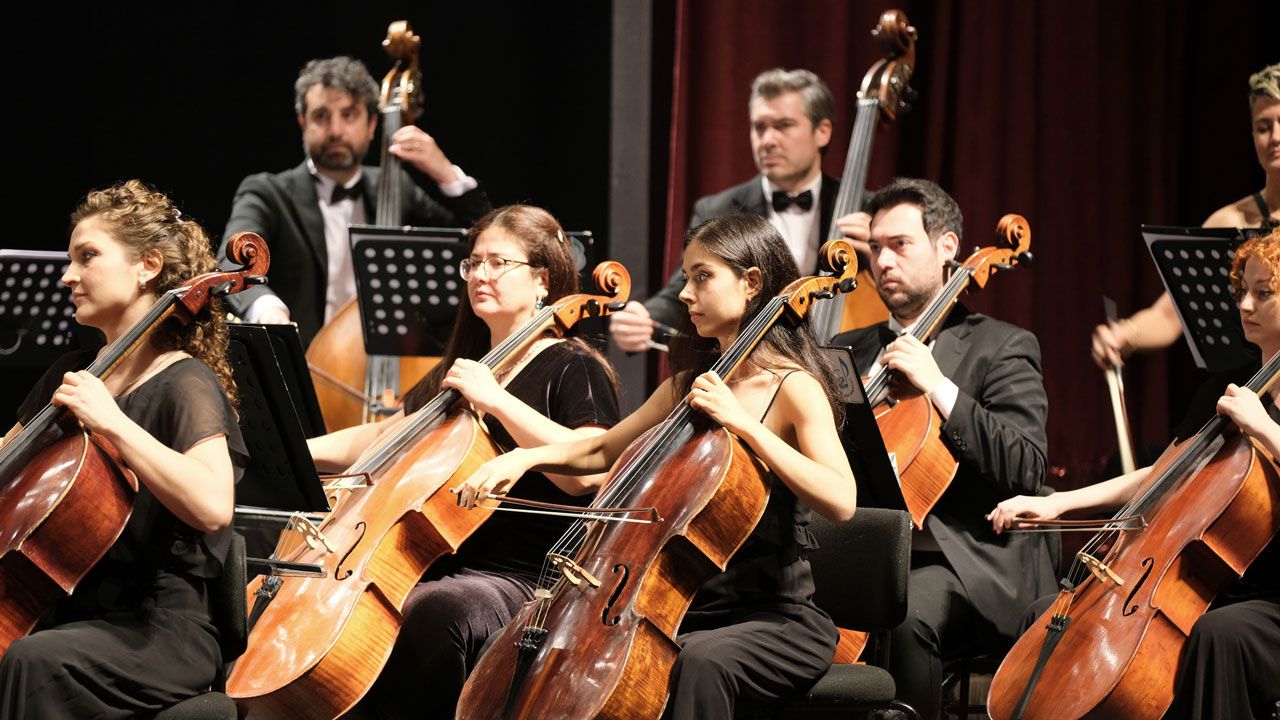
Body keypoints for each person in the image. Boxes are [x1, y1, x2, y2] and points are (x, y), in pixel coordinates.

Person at [457, 213, 858, 718]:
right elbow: (602, 451)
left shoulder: (793, 387)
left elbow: (842, 500)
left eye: (702, 277)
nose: (685, 294)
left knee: (699, 663)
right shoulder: (685, 386)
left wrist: (746, 426)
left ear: (752, 283)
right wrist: (525, 457)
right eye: (686, 278)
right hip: (684, 608)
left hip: (774, 618)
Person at [304, 205, 620, 719]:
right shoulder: (465, 368)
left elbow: (589, 472)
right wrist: (302, 451)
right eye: (474, 263)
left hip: (522, 576)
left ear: (542, 281)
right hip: (437, 560)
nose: (480, 275)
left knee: (435, 609)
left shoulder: (573, 366)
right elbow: (386, 434)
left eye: (499, 263)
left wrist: (495, 399)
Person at [990, 231, 1280, 720]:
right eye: (1242, 291)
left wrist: (1266, 428)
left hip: (1269, 598)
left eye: (1264, 293)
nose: (1245, 305)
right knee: (1049, 616)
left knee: (1218, 635)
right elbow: (1164, 472)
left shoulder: (1252, 410)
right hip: (1203, 585)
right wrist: (1058, 503)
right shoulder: (1228, 384)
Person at [0, 181, 248, 718]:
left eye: (87, 256)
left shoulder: (185, 381)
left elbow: (213, 505)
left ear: (147, 266)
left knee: (31, 660)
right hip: (68, 606)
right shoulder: (69, 375)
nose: (68, 275)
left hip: (158, 628)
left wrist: (112, 423)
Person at [828, 178, 1054, 720]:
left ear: (947, 247)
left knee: (905, 617)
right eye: (876, 247)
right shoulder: (846, 349)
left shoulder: (1001, 345)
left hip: (965, 562)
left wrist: (938, 386)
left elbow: (1026, 467)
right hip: (861, 556)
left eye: (900, 245)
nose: (883, 261)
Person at [219, 56, 492, 347]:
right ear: (303, 123)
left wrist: (446, 173)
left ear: (372, 124)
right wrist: (268, 311)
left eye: (349, 115)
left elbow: (480, 238)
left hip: (393, 359)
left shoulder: (398, 188)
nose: (336, 130)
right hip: (302, 360)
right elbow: (229, 263)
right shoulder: (267, 193)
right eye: (321, 116)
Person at [610, 67, 872, 352]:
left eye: (784, 126)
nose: (767, 140)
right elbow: (682, 293)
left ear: (822, 132)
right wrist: (645, 318)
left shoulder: (868, 211)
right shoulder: (718, 209)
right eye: (759, 127)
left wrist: (877, 256)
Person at [1092, 63, 1279, 369]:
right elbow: (1168, 315)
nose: (1274, 137)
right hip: (1242, 381)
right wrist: (1125, 334)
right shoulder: (1229, 221)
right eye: (1263, 127)